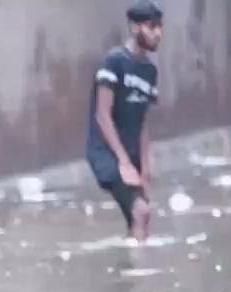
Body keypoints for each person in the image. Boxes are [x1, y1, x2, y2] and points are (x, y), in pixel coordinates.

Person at [86, 0, 163, 243]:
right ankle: (138, 277)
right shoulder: (114, 62)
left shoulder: (150, 71)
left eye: (159, 26)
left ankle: (129, 264)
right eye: (151, 26)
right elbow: (102, 115)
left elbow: (142, 123)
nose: (157, 32)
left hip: (131, 157)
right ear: (134, 27)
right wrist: (124, 162)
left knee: (141, 218)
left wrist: (146, 170)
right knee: (141, 211)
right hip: (106, 154)